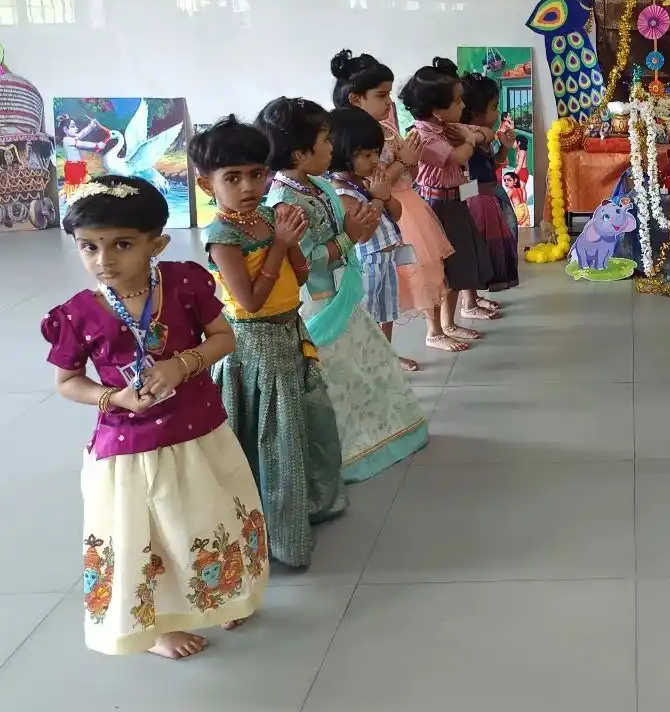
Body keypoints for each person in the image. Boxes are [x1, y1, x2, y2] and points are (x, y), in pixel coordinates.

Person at [41, 174, 266, 657]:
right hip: (130, 449)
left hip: (201, 430)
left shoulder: (184, 283)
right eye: (89, 247)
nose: (104, 261)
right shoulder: (78, 314)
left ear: (156, 243)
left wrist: (181, 364)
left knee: (211, 515)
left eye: (121, 245)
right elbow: (66, 383)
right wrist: (114, 398)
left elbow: (224, 338)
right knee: (146, 533)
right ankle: (158, 627)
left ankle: (224, 596)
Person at [190, 117, 346, 570]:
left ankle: (304, 505)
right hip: (255, 345)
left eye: (256, 174)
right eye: (232, 177)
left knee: (299, 423)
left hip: (289, 330)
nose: (248, 186)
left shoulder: (263, 217)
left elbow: (297, 277)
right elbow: (251, 300)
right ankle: (273, 530)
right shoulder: (222, 236)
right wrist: (280, 244)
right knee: (269, 436)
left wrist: (291, 242)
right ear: (207, 184)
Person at [258, 97, 429, 483]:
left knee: (366, 367)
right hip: (320, 304)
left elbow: (343, 230)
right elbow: (304, 258)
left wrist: (356, 229)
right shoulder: (285, 201)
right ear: (301, 153)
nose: (332, 147)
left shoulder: (318, 185)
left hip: (345, 295)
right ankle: (350, 449)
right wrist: (351, 238)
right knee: (338, 375)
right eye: (325, 140)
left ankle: (383, 434)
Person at [331, 51, 458, 350]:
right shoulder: (351, 137)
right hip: (379, 214)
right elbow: (374, 180)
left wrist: (408, 162)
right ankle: (390, 348)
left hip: (399, 205)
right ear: (355, 98)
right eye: (381, 95)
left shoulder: (385, 127)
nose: (389, 103)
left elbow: (405, 168)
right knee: (386, 290)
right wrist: (402, 162)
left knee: (411, 278)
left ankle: (396, 346)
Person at [400, 61, 496, 341]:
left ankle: (449, 323)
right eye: (457, 101)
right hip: (436, 205)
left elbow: (488, 133)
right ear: (435, 109)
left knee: (456, 265)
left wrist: (472, 134)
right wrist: (469, 139)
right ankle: (435, 331)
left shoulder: (445, 126)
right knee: (437, 269)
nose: (462, 105)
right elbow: (459, 157)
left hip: (455, 201)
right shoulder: (423, 134)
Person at [326, 106, 420, 371]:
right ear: (342, 155)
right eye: (366, 155)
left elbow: (397, 213)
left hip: (386, 261)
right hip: (367, 265)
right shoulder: (343, 192)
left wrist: (385, 196)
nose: (375, 160)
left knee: (386, 313)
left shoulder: (369, 181)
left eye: (376, 153)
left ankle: (384, 355)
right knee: (365, 316)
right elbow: (363, 235)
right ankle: (364, 362)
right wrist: (377, 198)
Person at [460, 73, 521, 297]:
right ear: (476, 112)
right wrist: (477, 196)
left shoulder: (483, 139)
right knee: (475, 252)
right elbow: (467, 179)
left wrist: (504, 147)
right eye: (494, 108)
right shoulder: (467, 139)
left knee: (485, 250)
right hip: (477, 203)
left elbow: (491, 166)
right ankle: (469, 302)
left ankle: (474, 299)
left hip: (487, 199)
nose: (497, 114)